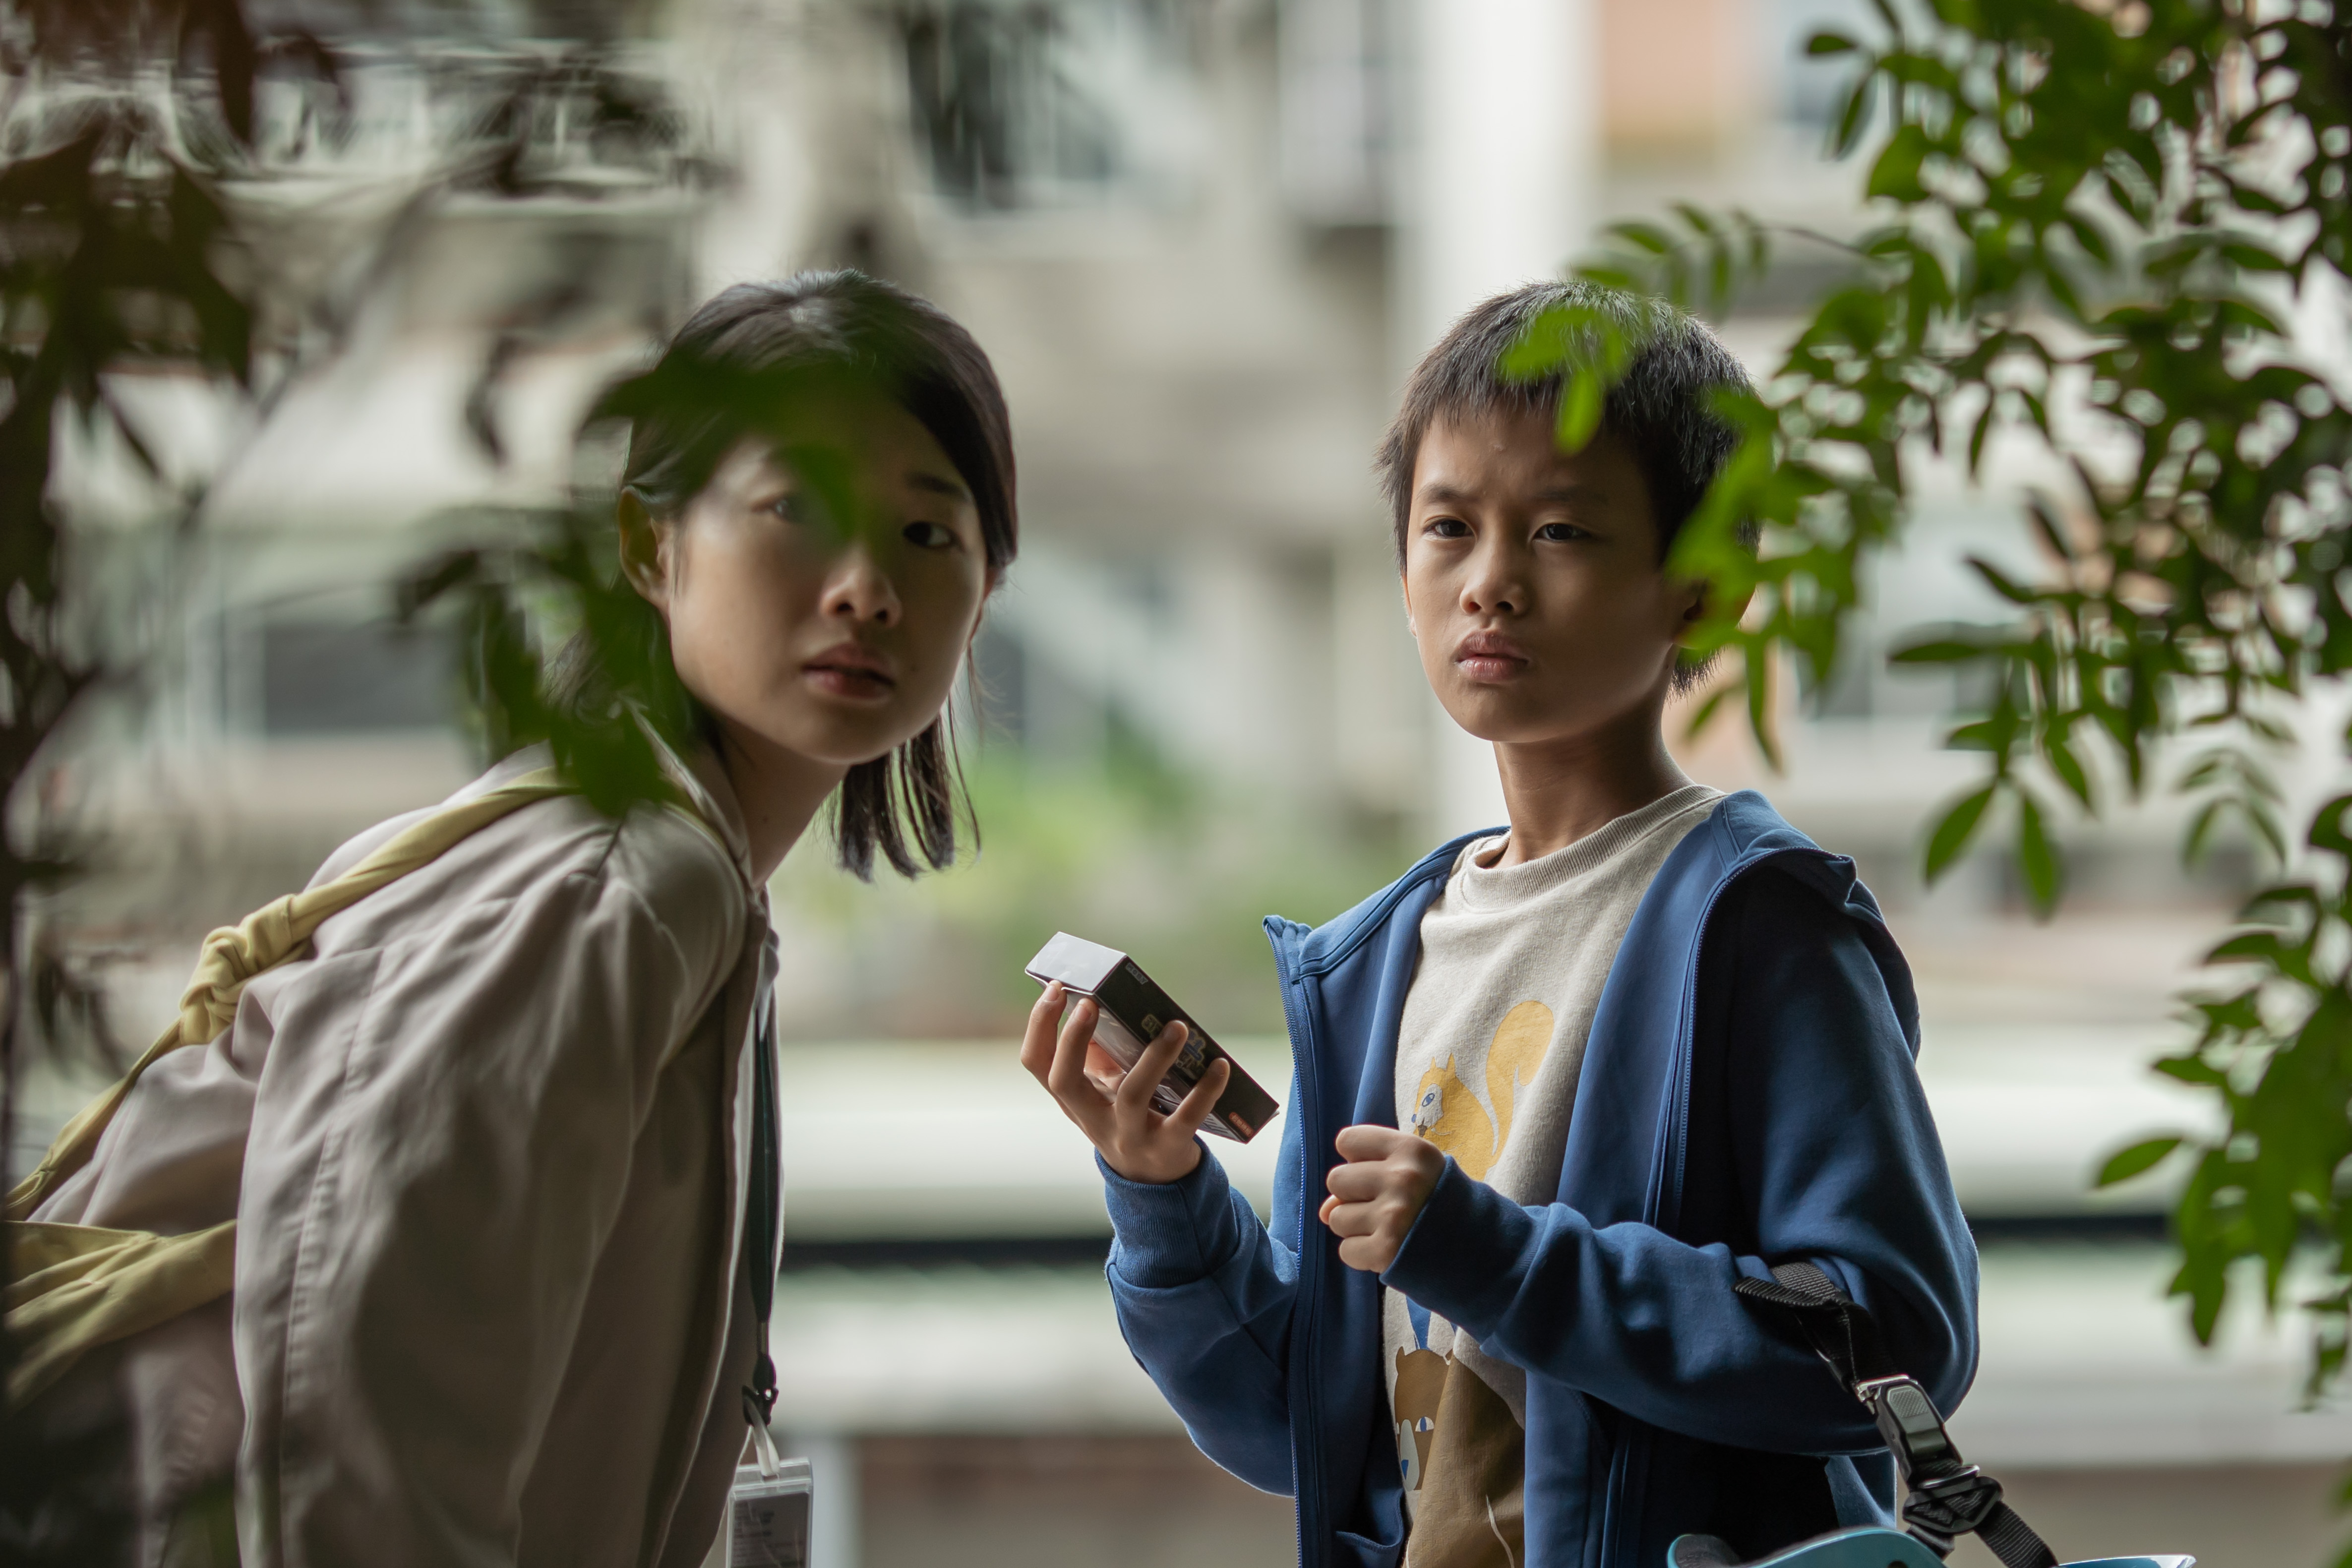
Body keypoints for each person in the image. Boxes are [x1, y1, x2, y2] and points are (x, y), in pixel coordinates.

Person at [13, 270, 1017, 1568]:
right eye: (794, 510)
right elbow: (367, 1417)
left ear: (984, 594)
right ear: (650, 545)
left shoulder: (669, 870)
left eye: (927, 533)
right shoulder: (615, 884)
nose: (865, 588)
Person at [1020, 280, 1977, 1568]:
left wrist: (1493, 1255)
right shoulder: (1372, 965)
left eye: (1561, 531)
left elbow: (1895, 1341)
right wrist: (1163, 1195)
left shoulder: (1759, 927)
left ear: (1704, 589)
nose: (1490, 584)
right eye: (1449, 528)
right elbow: (1300, 1428)